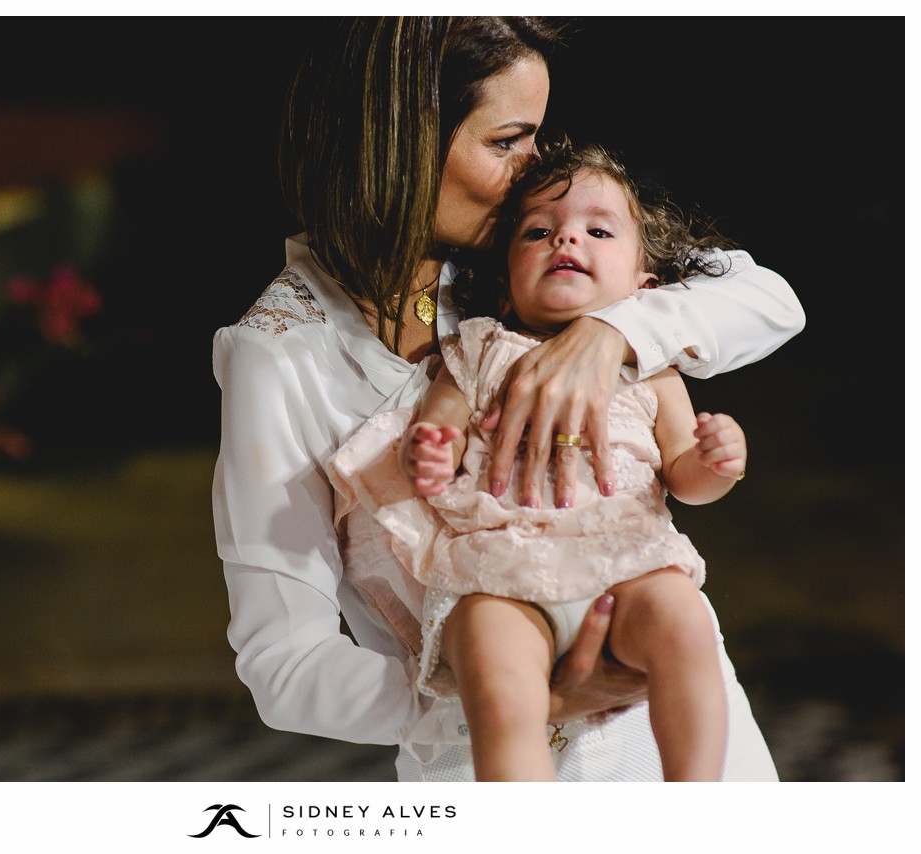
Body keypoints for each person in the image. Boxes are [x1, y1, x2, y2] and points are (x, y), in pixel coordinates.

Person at [211, 17, 804, 782]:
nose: (534, 171)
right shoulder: (282, 355)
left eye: (537, 138)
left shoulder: (536, 252)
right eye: (506, 142)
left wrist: (614, 335)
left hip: (680, 745)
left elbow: (770, 299)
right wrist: (506, 694)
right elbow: (283, 668)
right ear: (401, 143)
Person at [329, 138, 749, 781]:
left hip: (627, 563)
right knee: (501, 690)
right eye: (538, 232)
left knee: (685, 626)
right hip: (501, 568)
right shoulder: (477, 350)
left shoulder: (650, 370)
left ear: (646, 289)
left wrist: (719, 462)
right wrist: (434, 452)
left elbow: (685, 478)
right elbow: (438, 429)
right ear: (503, 287)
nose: (566, 241)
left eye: (597, 229)